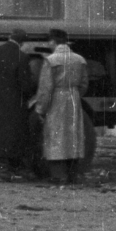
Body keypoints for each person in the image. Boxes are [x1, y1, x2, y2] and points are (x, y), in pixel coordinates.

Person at [33, 29, 88, 184]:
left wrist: (40, 109)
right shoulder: (80, 59)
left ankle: (58, 175)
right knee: (73, 135)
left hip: (56, 99)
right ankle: (73, 175)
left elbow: (45, 89)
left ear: (53, 41)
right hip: (74, 97)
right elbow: (84, 84)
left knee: (55, 135)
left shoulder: (51, 60)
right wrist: (75, 94)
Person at [0, 38, 28, 167]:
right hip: (13, 103)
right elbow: (25, 84)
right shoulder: (22, 56)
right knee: (12, 134)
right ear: (22, 42)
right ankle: (11, 166)